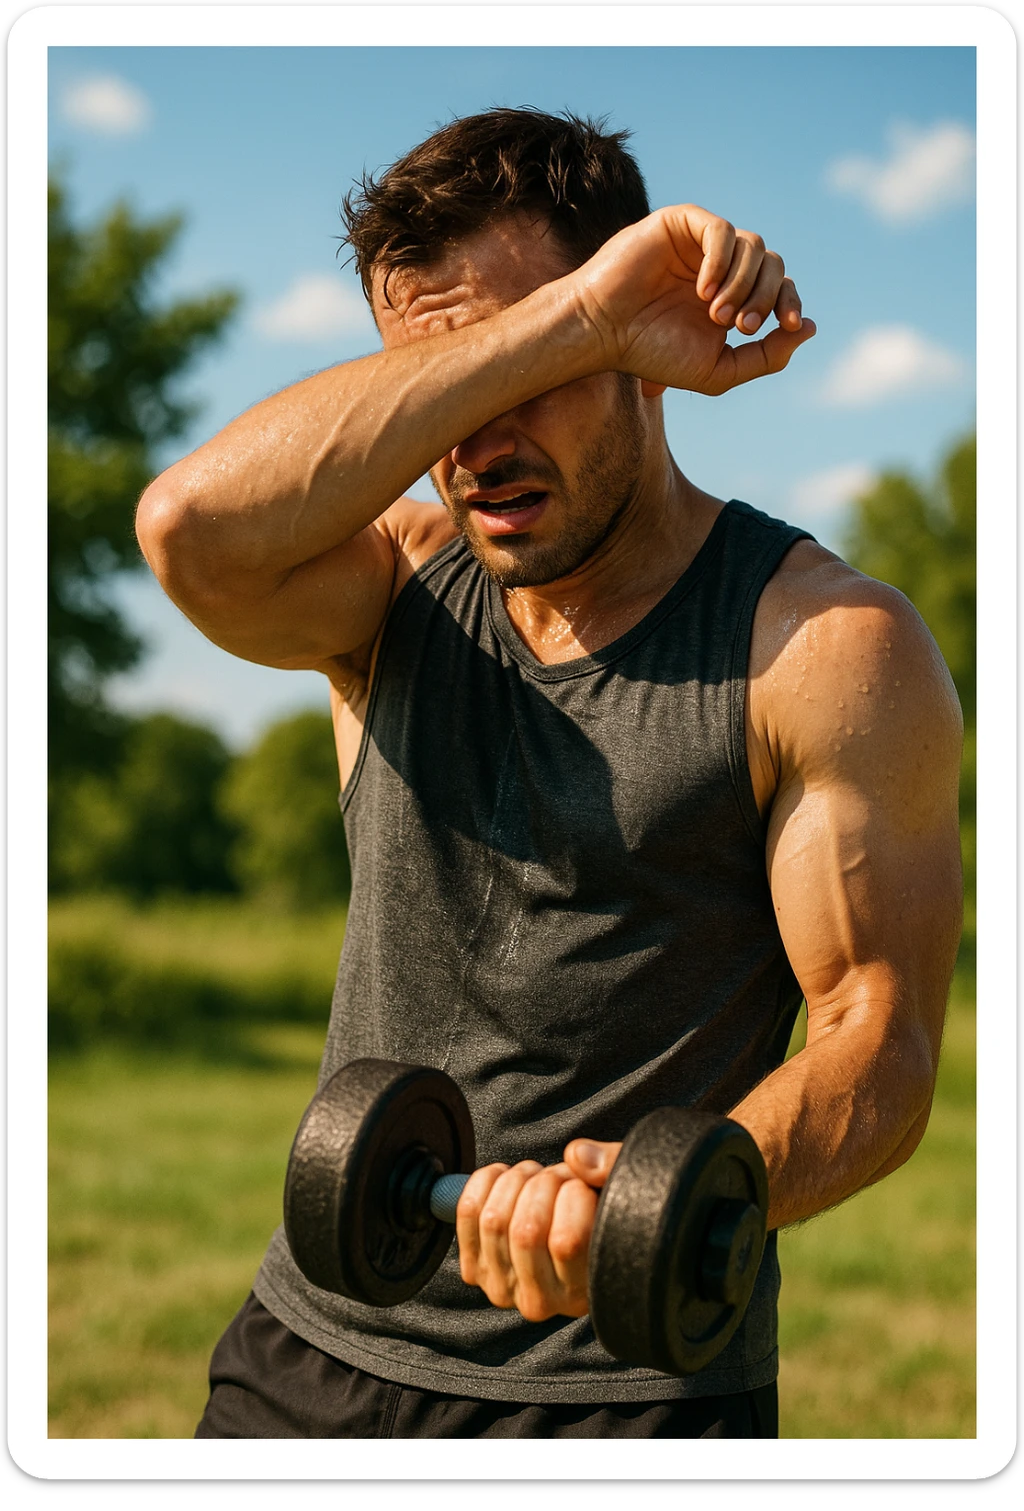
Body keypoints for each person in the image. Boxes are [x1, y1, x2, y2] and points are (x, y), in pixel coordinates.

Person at [136, 108, 964, 1440]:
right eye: (450, 384)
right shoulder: (389, 589)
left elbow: (880, 1036)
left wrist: (673, 1193)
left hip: (623, 1389)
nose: (477, 439)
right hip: (309, 1349)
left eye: (530, 371)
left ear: (642, 346)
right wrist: (558, 325)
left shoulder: (822, 646)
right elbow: (188, 532)